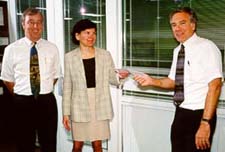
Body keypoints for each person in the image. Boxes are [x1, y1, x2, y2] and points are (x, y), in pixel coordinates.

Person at [134, 7, 223, 152]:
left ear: (193, 25)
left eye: (182, 23)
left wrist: (205, 123)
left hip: (200, 114)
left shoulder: (207, 47)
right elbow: (173, 81)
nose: (177, 28)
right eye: (174, 25)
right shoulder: (178, 50)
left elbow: (215, 86)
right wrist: (151, 81)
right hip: (181, 112)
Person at [0, 8, 62, 152]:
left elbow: (55, 75)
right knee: (24, 143)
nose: (35, 26)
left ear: (42, 25)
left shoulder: (52, 48)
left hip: (46, 101)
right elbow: (7, 78)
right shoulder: (12, 49)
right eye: (31, 22)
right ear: (23, 24)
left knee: (49, 143)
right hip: (22, 102)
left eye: (39, 22)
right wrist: (21, 93)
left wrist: (41, 90)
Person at [62, 19, 128, 152]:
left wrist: (119, 77)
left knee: (97, 144)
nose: (91, 36)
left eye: (94, 33)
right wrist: (65, 113)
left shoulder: (104, 55)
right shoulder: (69, 57)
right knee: (77, 145)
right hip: (78, 106)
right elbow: (67, 86)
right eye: (87, 33)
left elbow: (112, 78)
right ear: (77, 35)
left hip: (99, 104)